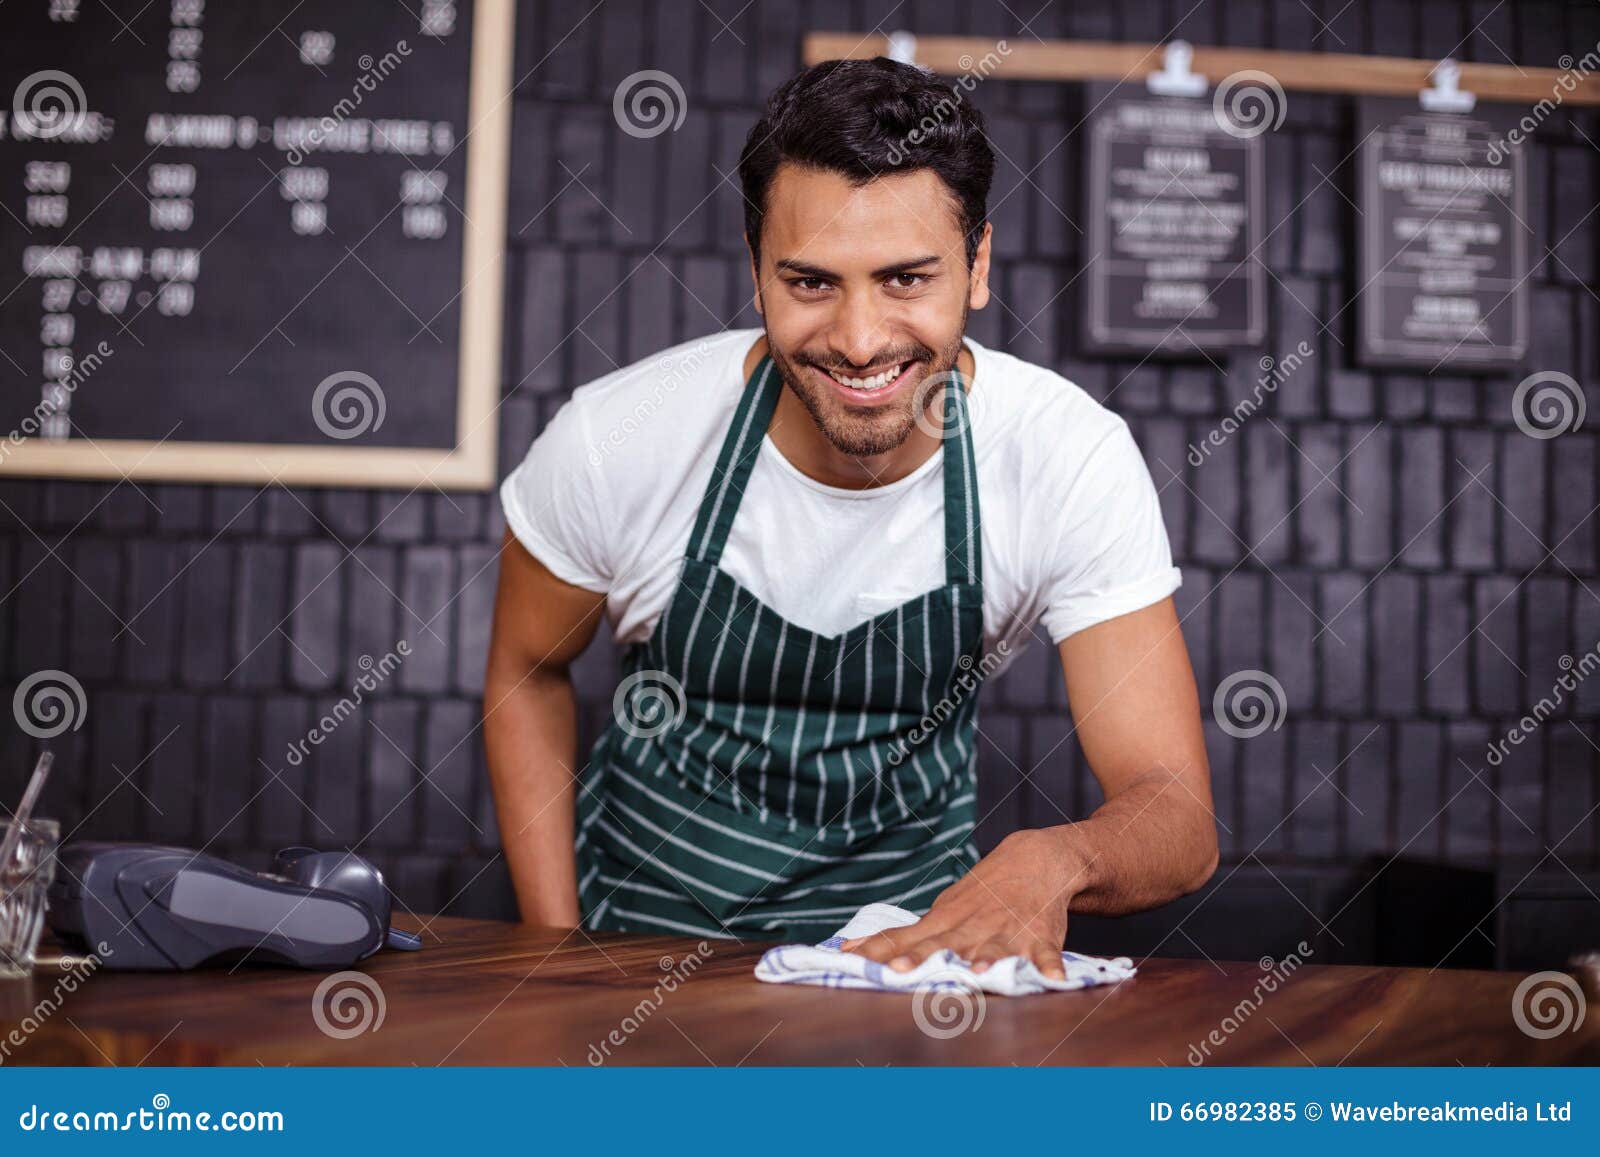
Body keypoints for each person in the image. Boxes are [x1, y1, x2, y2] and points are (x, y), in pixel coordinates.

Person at [485, 57, 1217, 979]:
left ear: (978, 265)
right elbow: (525, 673)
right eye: (812, 282)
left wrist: (1055, 859)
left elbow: (1178, 815)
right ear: (756, 272)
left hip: (906, 969)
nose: (861, 339)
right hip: (636, 947)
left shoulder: (1065, 457)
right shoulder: (617, 438)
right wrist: (561, 956)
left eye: (908, 279)